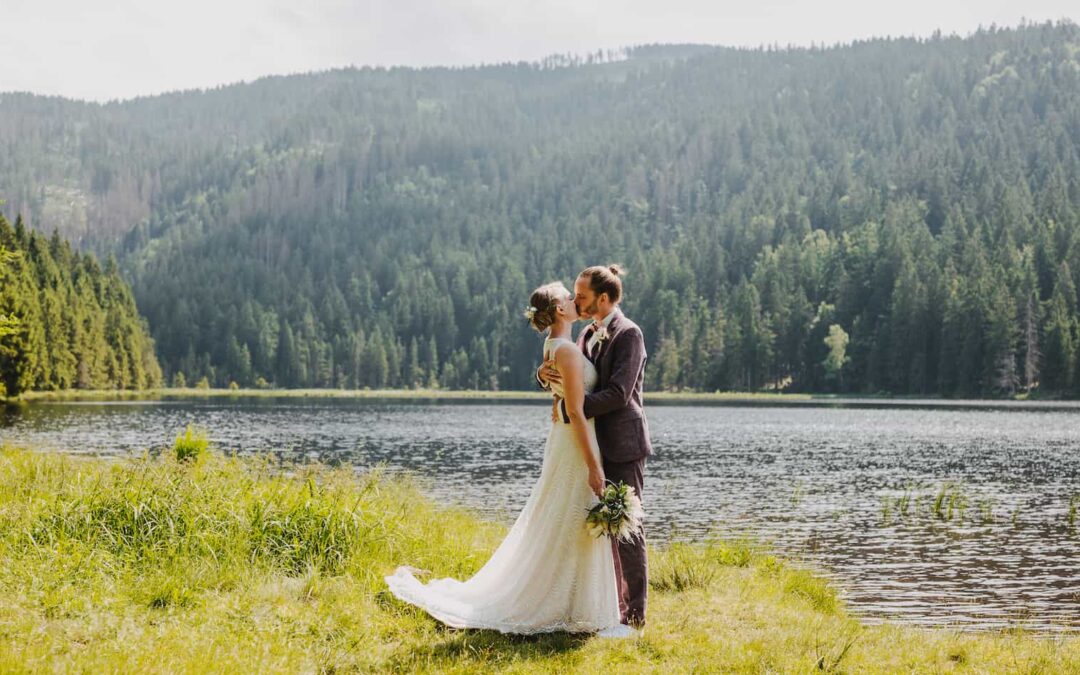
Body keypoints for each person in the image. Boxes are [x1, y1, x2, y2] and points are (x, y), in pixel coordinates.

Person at [385, 281, 621, 635]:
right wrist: (593, 466)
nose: (575, 301)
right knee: (568, 514)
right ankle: (563, 603)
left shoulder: (555, 345)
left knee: (561, 516)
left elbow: (564, 397)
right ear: (559, 309)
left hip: (564, 438)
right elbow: (574, 408)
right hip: (574, 441)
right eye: (569, 298)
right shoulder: (569, 351)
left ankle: (571, 600)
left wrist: (551, 389)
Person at [537, 264, 652, 637]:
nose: (577, 301)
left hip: (623, 442)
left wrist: (574, 409)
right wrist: (543, 377)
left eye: (582, 296)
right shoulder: (587, 333)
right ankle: (608, 607)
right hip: (594, 445)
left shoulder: (629, 334)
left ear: (603, 298)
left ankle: (634, 616)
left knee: (627, 526)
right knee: (599, 527)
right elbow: (571, 373)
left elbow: (618, 394)